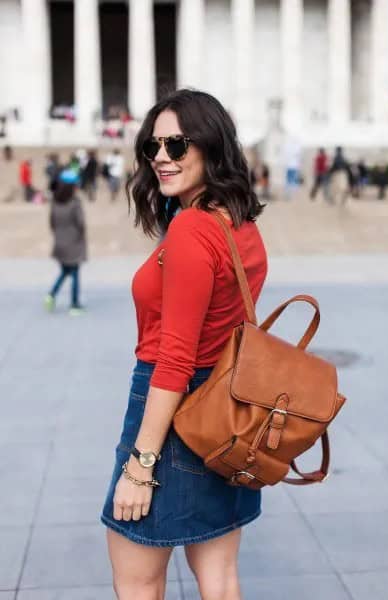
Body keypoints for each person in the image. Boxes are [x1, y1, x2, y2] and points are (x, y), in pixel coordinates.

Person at [100, 89, 267, 600]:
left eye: (177, 144)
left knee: (137, 580)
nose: (162, 159)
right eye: (153, 147)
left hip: (174, 417)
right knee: (218, 576)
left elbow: (174, 358)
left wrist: (141, 466)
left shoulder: (193, 229)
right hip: (229, 410)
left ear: (211, 145)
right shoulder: (236, 221)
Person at [44, 169, 87, 315]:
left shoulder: (55, 201)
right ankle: (74, 304)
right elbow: (80, 223)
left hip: (60, 243)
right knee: (74, 273)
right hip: (73, 243)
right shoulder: (75, 203)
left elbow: (52, 223)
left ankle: (51, 295)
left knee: (64, 271)